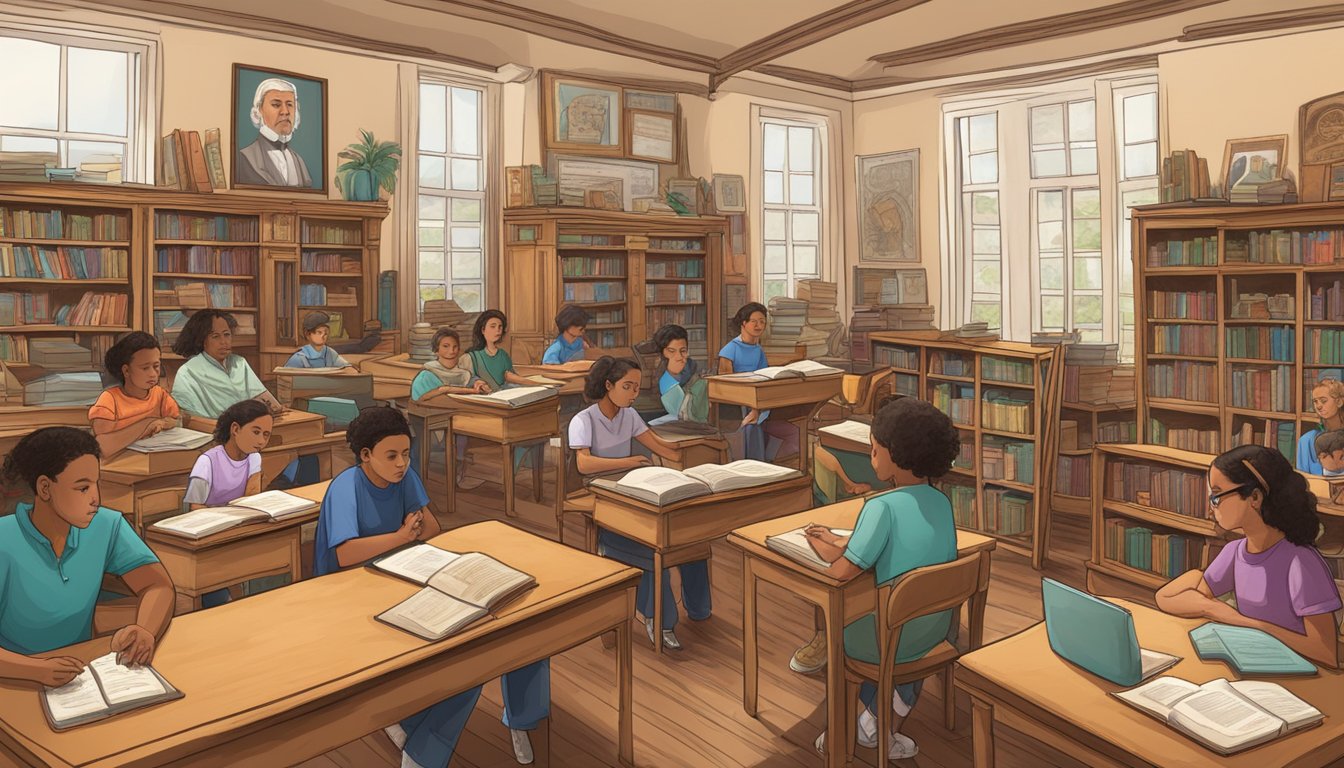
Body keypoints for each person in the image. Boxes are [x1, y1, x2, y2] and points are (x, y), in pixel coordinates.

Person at [311, 406, 547, 766]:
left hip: (398, 574)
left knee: (515, 625)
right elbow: (345, 553)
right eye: (391, 455)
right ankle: (419, 743)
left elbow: (433, 527)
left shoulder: (403, 478)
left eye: (406, 454)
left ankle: (518, 719)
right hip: (347, 591)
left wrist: (407, 537)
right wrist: (402, 535)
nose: (401, 463)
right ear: (365, 455)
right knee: (462, 663)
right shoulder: (347, 487)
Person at [803, 397, 962, 760]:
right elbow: (903, 545)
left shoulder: (880, 507)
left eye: (874, 450)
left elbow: (841, 573)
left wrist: (820, 545)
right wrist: (842, 538)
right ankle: (877, 722)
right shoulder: (940, 502)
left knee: (845, 628)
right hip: (934, 627)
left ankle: (849, 727)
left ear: (896, 454)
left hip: (886, 637)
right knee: (902, 630)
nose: (871, 455)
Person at [0, 427, 175, 682]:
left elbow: (158, 585)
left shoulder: (106, 525)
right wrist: (37, 670)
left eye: (96, 484)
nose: (96, 498)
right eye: (82, 488)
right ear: (45, 488)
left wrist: (145, 629)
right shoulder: (4, 539)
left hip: (79, 673)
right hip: (13, 680)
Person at [571, 356, 712, 650]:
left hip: (632, 486)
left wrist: (702, 454)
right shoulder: (583, 420)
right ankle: (659, 620)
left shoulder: (630, 416)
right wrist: (628, 461)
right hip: (602, 490)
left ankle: (700, 612)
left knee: (690, 540)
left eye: (637, 387)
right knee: (653, 546)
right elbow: (583, 465)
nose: (634, 394)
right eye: (627, 386)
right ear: (608, 385)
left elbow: (661, 447)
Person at [1156, 445, 1341, 668]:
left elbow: (1326, 653)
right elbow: (1166, 598)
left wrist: (1245, 622)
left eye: (1216, 496)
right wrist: (1211, 606)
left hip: (1299, 678)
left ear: (1254, 497)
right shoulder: (1235, 552)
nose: (1210, 507)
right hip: (1253, 666)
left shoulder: (1299, 560)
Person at [182, 400, 274, 608]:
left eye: (266, 435)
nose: (261, 441)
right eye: (256, 432)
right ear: (235, 429)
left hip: (239, 524)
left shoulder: (254, 458)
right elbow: (194, 506)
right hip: (208, 530)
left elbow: (252, 496)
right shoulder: (207, 461)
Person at [716, 302, 798, 460]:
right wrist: (753, 405)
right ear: (744, 323)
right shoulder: (729, 350)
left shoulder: (758, 350)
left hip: (758, 402)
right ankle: (755, 464)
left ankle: (767, 460)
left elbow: (764, 377)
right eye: (754, 321)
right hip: (737, 405)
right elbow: (725, 386)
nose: (759, 325)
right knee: (751, 426)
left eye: (762, 321)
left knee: (792, 427)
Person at [410, 328, 488, 489]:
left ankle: (458, 476)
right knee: (423, 447)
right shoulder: (428, 373)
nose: (451, 351)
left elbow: (472, 381)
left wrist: (479, 383)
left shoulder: (462, 373)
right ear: (436, 350)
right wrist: (447, 390)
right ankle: (417, 483)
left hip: (454, 417)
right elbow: (422, 398)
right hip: (425, 419)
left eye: (454, 347)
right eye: (445, 346)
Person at [170, 310, 284, 419]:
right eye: (215, 336)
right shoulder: (188, 371)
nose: (224, 342)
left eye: (227, 334)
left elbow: (265, 398)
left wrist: (274, 408)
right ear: (201, 340)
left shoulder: (239, 362)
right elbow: (188, 417)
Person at [88, 331, 182, 457]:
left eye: (156, 366)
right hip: (119, 462)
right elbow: (102, 444)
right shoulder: (110, 399)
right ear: (126, 370)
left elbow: (176, 420)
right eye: (145, 368)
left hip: (154, 456)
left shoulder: (160, 395)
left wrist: (165, 423)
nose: (153, 374)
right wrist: (148, 424)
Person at [235, 77, 313, 188]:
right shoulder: (244, 158)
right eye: (276, 105)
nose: (285, 112)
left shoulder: (299, 161)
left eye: (290, 105)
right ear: (259, 111)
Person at [650, 324, 708, 425]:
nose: (679, 356)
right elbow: (674, 409)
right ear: (662, 352)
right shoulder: (658, 370)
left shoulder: (691, 365)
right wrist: (672, 374)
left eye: (683, 351)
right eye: (671, 351)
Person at [463, 310, 533, 392]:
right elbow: (463, 379)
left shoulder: (503, 355)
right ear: (483, 330)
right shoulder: (471, 357)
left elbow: (511, 377)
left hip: (504, 395)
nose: (498, 330)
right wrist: (478, 383)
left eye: (500, 326)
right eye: (493, 326)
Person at [1297, 378, 1344, 474]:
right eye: (1315, 401)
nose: (1318, 406)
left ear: (1339, 402)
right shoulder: (1307, 440)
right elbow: (1303, 479)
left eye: (1323, 401)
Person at [286, 311, 355, 370]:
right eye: (319, 332)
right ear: (307, 334)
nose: (323, 336)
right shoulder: (299, 358)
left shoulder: (330, 353)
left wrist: (349, 369)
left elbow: (346, 366)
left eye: (326, 332)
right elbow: (286, 378)